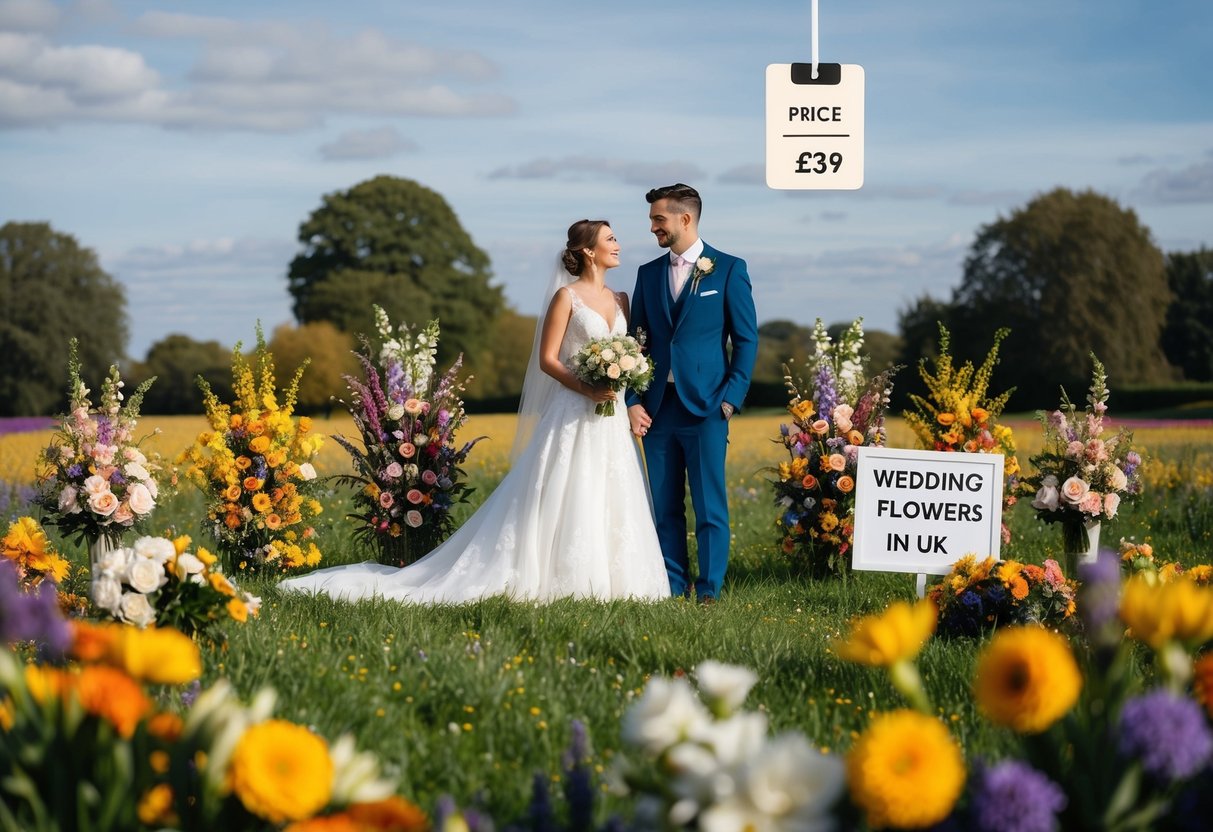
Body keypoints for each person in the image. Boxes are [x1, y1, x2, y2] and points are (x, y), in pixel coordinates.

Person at [279, 220, 670, 603]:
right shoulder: (566, 298)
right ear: (588, 250)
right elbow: (548, 360)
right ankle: (562, 577)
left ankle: (622, 583)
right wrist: (587, 387)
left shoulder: (621, 299)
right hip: (573, 408)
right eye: (611, 239)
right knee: (567, 487)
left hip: (611, 412)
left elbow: (632, 352)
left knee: (613, 487)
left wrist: (622, 386)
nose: (618, 245)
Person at [626, 184, 758, 604]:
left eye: (658, 219)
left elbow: (747, 340)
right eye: (651, 220)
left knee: (709, 507)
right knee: (664, 506)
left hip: (707, 408)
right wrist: (632, 400)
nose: (652, 228)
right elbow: (635, 344)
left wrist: (730, 398)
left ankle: (710, 590)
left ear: (685, 219)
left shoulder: (729, 269)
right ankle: (671, 583)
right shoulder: (647, 274)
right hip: (657, 410)